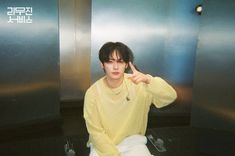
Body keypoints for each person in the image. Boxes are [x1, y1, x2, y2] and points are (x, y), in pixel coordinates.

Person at [83, 42, 177, 156]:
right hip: (103, 145)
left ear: (126, 64)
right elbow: (96, 132)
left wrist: (148, 80)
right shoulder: (93, 93)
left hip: (133, 143)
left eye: (120, 61)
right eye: (110, 61)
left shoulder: (139, 84)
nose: (115, 67)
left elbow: (170, 97)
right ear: (102, 64)